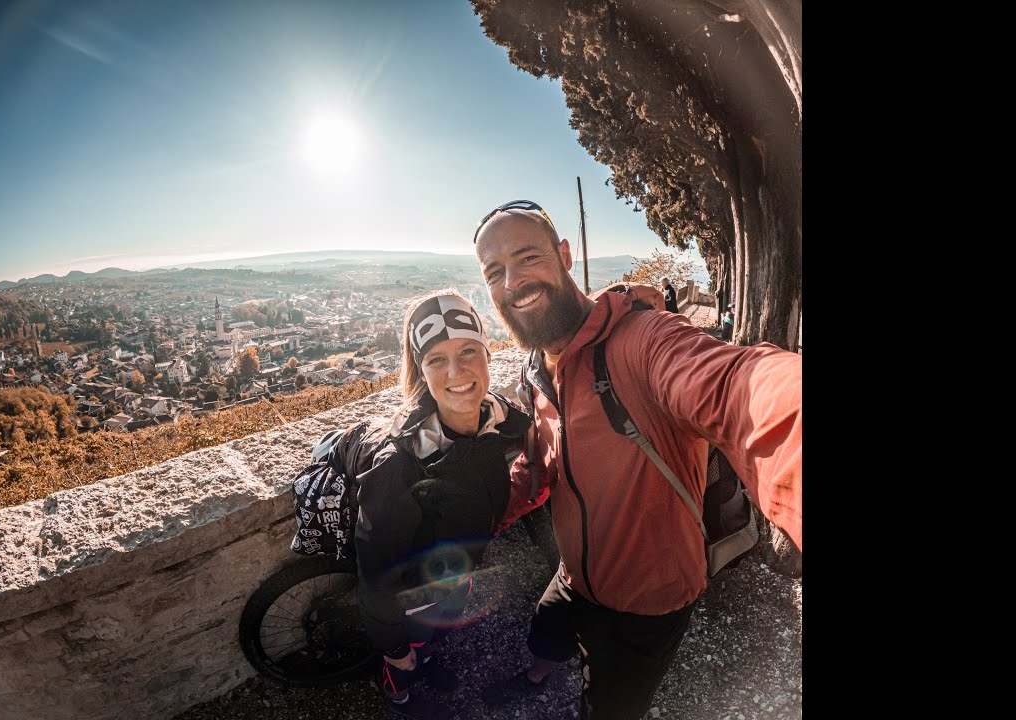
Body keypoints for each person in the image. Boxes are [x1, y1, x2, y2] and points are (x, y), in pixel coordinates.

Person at [470, 200, 802, 720]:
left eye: (528, 257)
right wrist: (477, 515)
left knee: (613, 702)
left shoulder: (642, 341)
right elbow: (541, 466)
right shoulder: (537, 370)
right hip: (575, 574)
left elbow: (736, 387)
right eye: (495, 272)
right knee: (547, 631)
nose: (512, 281)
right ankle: (536, 676)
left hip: (650, 598)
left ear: (564, 255)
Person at [329, 290, 534, 720]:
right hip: (413, 596)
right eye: (437, 359)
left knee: (434, 636)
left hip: (455, 577)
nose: (457, 372)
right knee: (408, 656)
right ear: (422, 372)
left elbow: (523, 421)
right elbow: (377, 574)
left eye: (468, 351)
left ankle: (426, 657)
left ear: (488, 354)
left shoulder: (493, 414)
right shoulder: (398, 465)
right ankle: (400, 695)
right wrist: (394, 648)